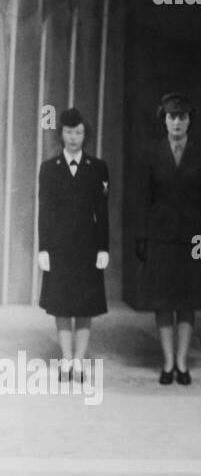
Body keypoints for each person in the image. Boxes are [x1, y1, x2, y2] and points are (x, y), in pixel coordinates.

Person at [136, 92, 201, 385]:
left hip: (194, 239)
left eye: (182, 117)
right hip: (160, 237)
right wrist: (142, 237)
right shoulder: (151, 152)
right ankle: (167, 362)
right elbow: (143, 198)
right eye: (172, 117)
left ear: (189, 120)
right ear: (164, 120)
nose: (177, 122)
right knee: (162, 301)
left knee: (187, 299)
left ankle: (182, 363)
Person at [38, 108, 110, 382]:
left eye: (78, 132)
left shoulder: (99, 168)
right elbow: (44, 210)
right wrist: (43, 248)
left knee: (84, 305)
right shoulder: (48, 169)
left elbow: (102, 212)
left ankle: (79, 361)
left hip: (88, 245)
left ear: (86, 135)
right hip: (59, 246)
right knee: (62, 305)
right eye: (68, 132)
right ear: (61, 134)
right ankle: (66, 360)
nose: (73, 138)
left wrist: (104, 248)